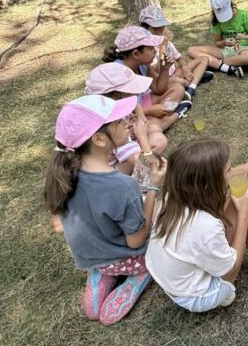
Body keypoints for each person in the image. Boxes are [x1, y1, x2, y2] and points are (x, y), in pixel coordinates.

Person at [44, 95, 167, 325]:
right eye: (119, 122)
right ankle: (137, 276)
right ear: (99, 139)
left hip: (93, 257)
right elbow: (137, 241)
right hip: (129, 255)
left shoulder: (63, 174)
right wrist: (153, 188)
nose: (127, 122)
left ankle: (102, 274)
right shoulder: (122, 186)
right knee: (163, 211)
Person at [145, 138, 248, 312]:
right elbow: (230, 272)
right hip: (198, 297)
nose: (231, 172)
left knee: (230, 198)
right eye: (228, 170)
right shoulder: (204, 226)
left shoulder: (173, 199)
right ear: (209, 184)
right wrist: (244, 215)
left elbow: (229, 178)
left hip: (174, 285)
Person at [102, 26, 191, 124]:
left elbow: (158, 89)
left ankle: (151, 121)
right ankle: (160, 122)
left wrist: (164, 68)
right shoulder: (117, 73)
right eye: (151, 48)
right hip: (124, 115)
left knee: (178, 89)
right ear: (136, 54)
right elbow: (119, 111)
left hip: (139, 104)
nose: (155, 51)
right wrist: (149, 111)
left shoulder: (142, 65)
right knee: (150, 126)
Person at [139, 5, 213, 101]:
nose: (160, 30)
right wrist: (162, 46)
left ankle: (191, 87)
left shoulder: (167, 42)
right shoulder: (146, 47)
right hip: (162, 80)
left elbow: (179, 59)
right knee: (179, 82)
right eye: (155, 27)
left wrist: (185, 68)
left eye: (161, 26)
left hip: (173, 73)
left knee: (203, 59)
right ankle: (193, 80)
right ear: (146, 28)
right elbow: (156, 71)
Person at [186, 0, 248, 79]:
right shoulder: (215, 20)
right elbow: (217, 43)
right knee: (191, 50)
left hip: (243, 48)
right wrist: (224, 42)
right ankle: (226, 66)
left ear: (231, 5)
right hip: (224, 50)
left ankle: (216, 64)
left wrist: (244, 37)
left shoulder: (244, 15)